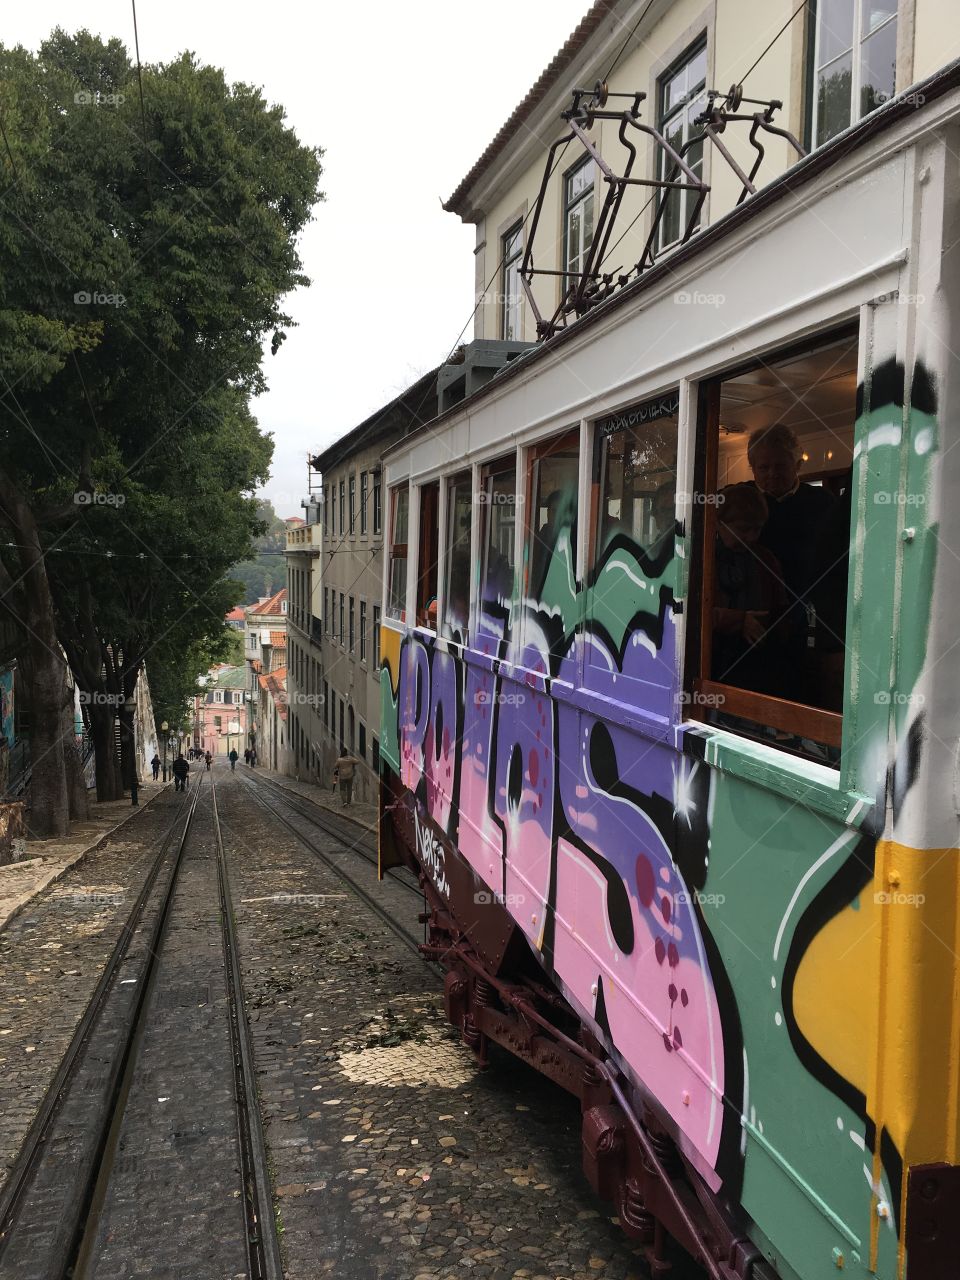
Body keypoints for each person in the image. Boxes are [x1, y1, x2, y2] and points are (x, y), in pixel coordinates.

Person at [712, 484, 788, 696]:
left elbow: (781, 608)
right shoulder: (702, 560)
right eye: (743, 529)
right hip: (712, 663)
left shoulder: (767, 559)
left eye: (757, 529)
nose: (751, 537)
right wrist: (738, 620)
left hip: (759, 663)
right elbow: (685, 614)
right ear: (719, 523)